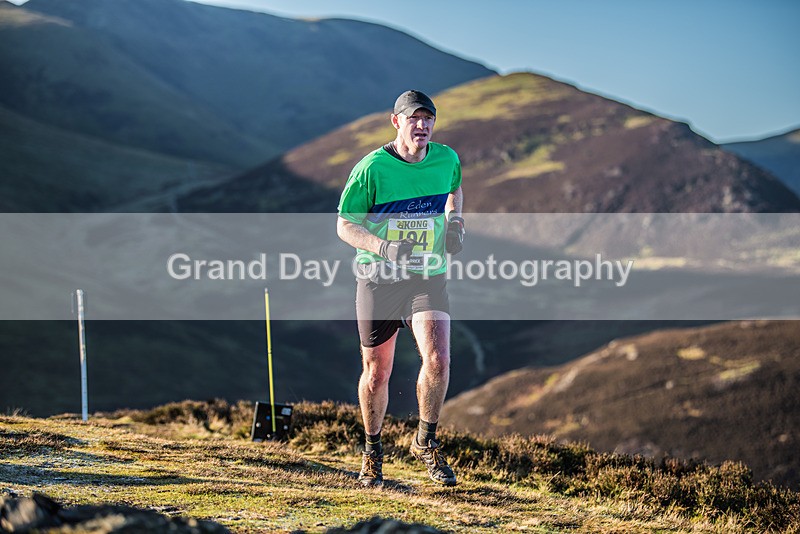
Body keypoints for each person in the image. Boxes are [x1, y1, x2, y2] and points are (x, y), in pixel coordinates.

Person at [336, 90, 465, 487]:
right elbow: (345, 224)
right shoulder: (372, 168)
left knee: (439, 360)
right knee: (377, 373)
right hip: (379, 278)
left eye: (428, 119)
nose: (422, 126)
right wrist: (383, 246)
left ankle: (425, 442)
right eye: (414, 119)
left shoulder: (446, 159)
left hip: (427, 274)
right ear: (397, 122)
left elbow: (454, 190)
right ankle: (372, 453)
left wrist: (456, 221)